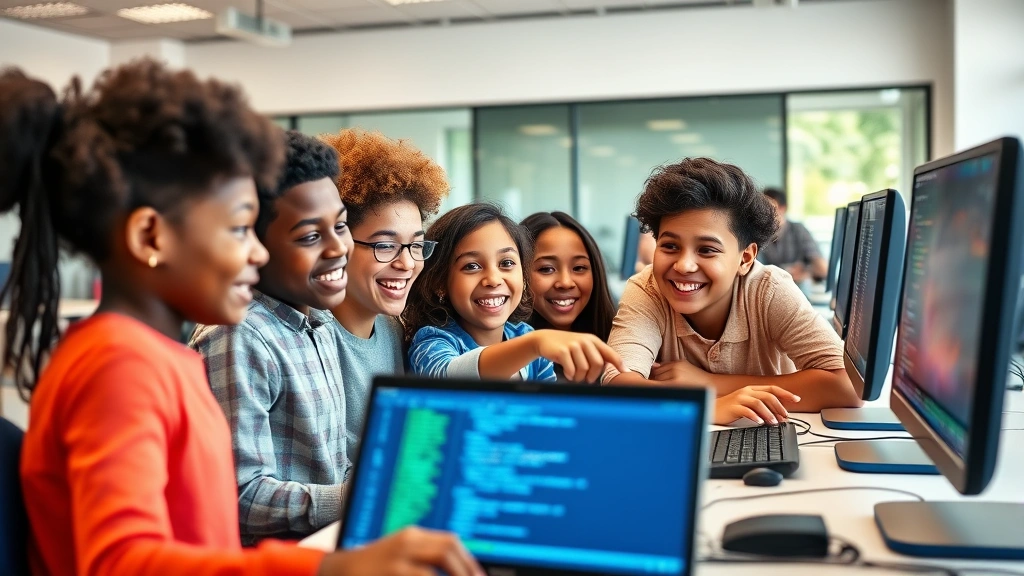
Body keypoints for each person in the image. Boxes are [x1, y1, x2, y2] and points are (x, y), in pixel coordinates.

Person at [4, 61, 481, 576]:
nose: (258, 255)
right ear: (150, 238)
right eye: (238, 231)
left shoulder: (155, 358)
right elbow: (121, 561)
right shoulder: (118, 367)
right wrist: (329, 569)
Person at [604, 158, 861, 425]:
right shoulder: (647, 289)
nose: (683, 265)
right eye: (670, 246)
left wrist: (709, 384)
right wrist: (708, 408)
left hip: (768, 439)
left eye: (707, 250)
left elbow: (847, 386)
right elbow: (619, 387)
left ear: (745, 258)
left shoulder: (769, 289)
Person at [190, 131, 353, 544]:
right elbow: (239, 497)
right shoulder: (239, 337)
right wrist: (347, 500)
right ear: (254, 246)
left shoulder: (321, 322)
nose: (338, 247)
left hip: (324, 546)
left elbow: (333, 466)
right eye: (310, 237)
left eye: (341, 225)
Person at [318, 128, 449, 455]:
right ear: (339, 241)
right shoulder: (307, 336)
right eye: (385, 245)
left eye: (416, 245)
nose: (407, 263)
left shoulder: (396, 331)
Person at [403, 203, 624, 383]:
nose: (493, 279)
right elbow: (448, 377)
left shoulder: (524, 336)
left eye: (506, 263)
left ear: (524, 276)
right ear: (439, 282)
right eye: (471, 266)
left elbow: (546, 412)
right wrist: (534, 345)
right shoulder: (433, 340)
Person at [521, 211, 616, 341]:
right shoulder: (498, 350)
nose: (565, 283)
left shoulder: (624, 344)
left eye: (578, 268)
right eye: (547, 269)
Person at [759, 187, 828, 285]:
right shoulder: (757, 233)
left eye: (769, 206)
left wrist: (805, 272)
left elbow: (823, 268)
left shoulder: (798, 230)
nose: (764, 211)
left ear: (783, 208)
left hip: (797, 286)